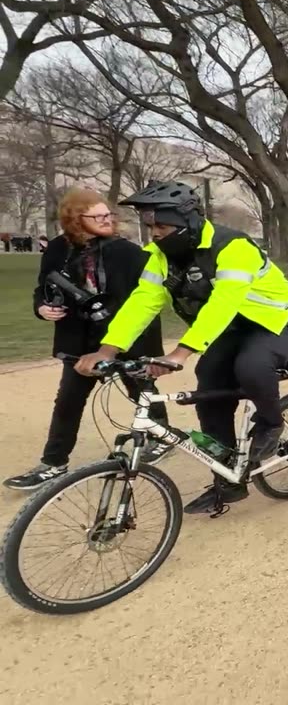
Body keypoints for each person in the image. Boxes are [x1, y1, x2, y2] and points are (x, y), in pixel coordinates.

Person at [74, 180, 288, 516]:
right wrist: (108, 349)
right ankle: (228, 480)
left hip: (269, 322)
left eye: (161, 226)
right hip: (228, 328)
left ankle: (271, 422)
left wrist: (180, 353)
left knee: (251, 368)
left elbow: (224, 302)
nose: (154, 234)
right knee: (208, 381)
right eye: (149, 226)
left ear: (188, 221)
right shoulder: (160, 257)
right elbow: (143, 302)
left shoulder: (233, 246)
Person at [4, 189, 169, 491]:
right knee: (68, 400)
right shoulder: (57, 248)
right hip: (80, 341)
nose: (107, 220)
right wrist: (42, 307)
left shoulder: (127, 251)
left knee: (141, 390)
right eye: (98, 216)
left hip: (126, 338)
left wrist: (145, 349)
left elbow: (149, 299)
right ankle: (53, 463)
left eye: (109, 215)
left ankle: (160, 436)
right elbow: (43, 287)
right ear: (76, 219)